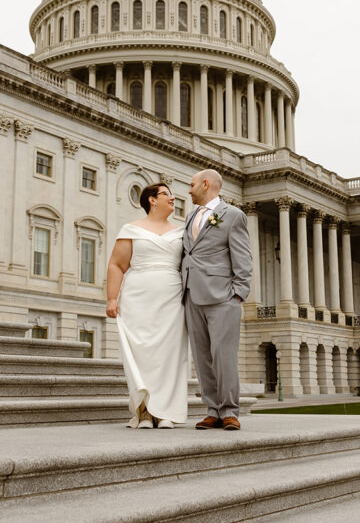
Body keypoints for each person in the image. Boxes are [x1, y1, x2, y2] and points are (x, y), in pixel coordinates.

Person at [106, 183, 189, 429]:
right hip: (137, 297)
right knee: (141, 354)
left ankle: (165, 412)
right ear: (152, 200)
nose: (173, 198)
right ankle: (143, 411)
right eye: (167, 194)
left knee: (169, 356)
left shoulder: (182, 232)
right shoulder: (131, 229)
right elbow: (117, 265)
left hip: (172, 299)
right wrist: (112, 298)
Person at [182, 169, 252, 431]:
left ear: (206, 184)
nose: (189, 190)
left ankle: (230, 411)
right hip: (192, 295)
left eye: (192, 185)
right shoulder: (190, 216)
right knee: (202, 358)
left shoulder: (233, 216)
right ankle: (212, 410)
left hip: (223, 296)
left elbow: (243, 259)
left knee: (223, 356)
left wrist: (237, 294)